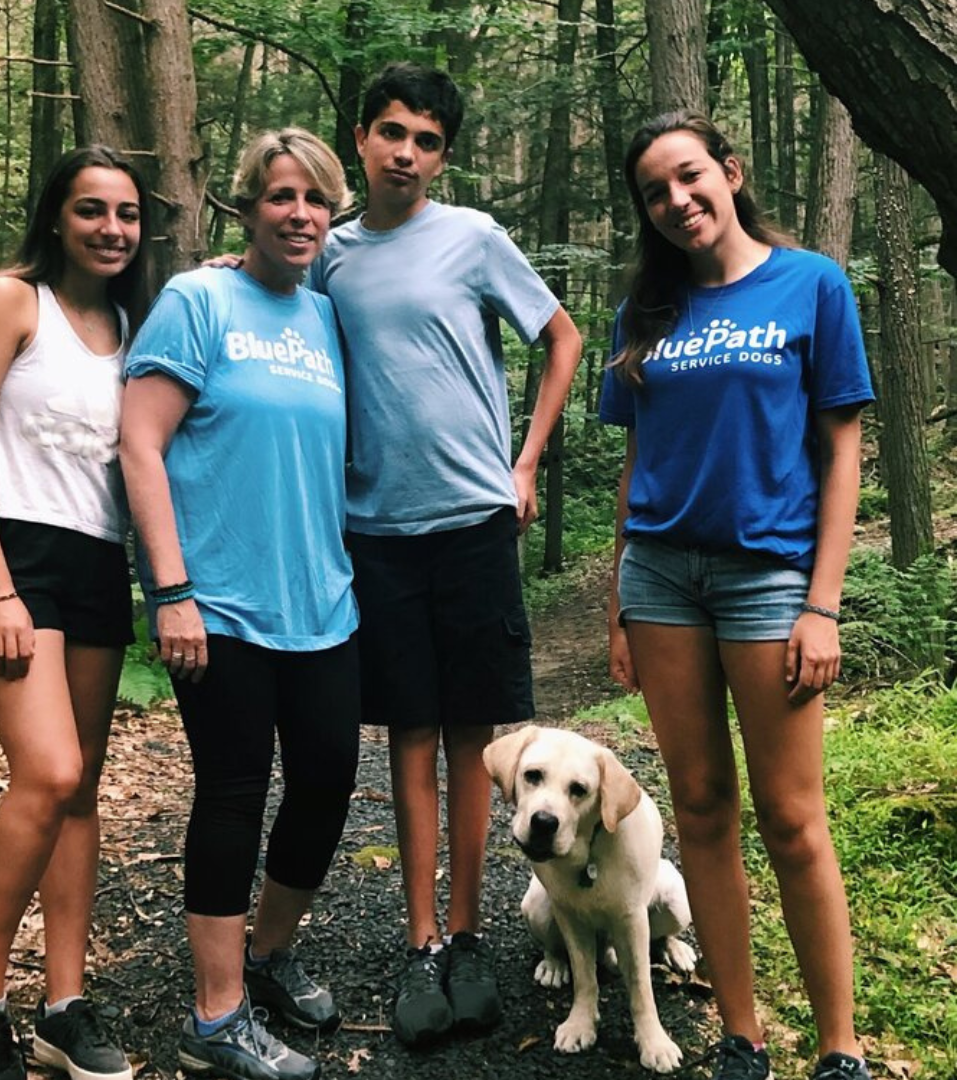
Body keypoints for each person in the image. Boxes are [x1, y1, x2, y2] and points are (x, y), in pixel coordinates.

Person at [307, 63, 581, 1046]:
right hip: (375, 533)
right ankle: (421, 946)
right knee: (408, 742)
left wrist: (527, 460)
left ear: (444, 155)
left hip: (473, 526)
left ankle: (468, 937)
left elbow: (561, 334)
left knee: (473, 742)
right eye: (391, 133)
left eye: (426, 140)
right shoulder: (329, 257)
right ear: (360, 139)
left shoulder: (472, 238)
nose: (407, 154)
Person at [600, 111, 874, 1080]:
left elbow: (842, 448)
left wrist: (822, 603)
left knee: (794, 820)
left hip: (770, 578)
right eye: (654, 193)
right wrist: (617, 602)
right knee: (704, 809)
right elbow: (638, 459)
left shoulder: (812, 286)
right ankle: (740, 1035)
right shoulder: (647, 312)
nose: (677, 202)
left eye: (689, 178)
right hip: (662, 579)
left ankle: (840, 1047)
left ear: (729, 170)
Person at [118, 128, 358, 1080]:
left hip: (323, 601)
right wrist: (169, 589)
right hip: (217, 601)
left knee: (329, 783)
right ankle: (215, 1019)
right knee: (232, 791)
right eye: (281, 198)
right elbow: (141, 444)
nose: (299, 215)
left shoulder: (326, 317)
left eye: (315, 200)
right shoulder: (198, 299)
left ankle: (265, 955)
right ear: (248, 207)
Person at [0, 145, 152, 1080]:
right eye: (92, 210)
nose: (111, 229)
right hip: (7, 554)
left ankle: (66, 1006)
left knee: (83, 786)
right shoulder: (9, 300)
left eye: (128, 215)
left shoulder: (138, 324)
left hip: (97, 559)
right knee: (50, 769)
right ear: (56, 218)